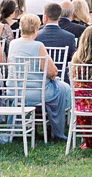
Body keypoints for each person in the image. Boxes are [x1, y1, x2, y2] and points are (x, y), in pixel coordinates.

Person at [10, 15, 73, 143]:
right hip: (37, 93)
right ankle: (57, 130)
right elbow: (52, 72)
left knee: (60, 88)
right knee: (63, 89)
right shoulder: (38, 46)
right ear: (36, 29)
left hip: (15, 91)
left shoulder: (13, 44)